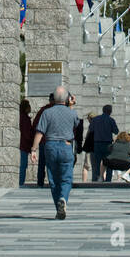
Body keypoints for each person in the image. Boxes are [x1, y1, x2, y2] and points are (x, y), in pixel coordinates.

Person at [29, 86, 80, 219]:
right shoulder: (72, 113)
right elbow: (76, 124)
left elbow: (39, 132)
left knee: (53, 179)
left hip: (50, 146)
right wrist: (72, 105)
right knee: (66, 178)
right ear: (68, 99)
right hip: (66, 146)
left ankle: (58, 206)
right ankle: (63, 198)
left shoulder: (47, 113)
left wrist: (33, 149)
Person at [90, 104, 119, 184]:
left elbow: (91, 130)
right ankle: (108, 180)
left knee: (97, 163)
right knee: (109, 163)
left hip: (97, 143)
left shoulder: (95, 119)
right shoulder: (111, 120)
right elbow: (116, 131)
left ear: (103, 110)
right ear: (110, 112)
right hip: (107, 144)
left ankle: (97, 178)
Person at [32, 94, 54, 187]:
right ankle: (53, 183)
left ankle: (40, 183)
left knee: (42, 163)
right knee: (52, 163)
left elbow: (36, 125)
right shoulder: (61, 110)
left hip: (44, 141)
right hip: (53, 141)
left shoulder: (43, 110)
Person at [19, 99, 35, 187]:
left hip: (22, 145)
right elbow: (27, 133)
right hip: (23, 145)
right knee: (23, 165)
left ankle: (20, 182)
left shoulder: (21, 117)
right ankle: (20, 183)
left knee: (22, 165)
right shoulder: (25, 119)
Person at [81, 113, 96, 183]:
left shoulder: (91, 126)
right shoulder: (100, 126)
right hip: (97, 148)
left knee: (86, 166)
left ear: (90, 118)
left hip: (89, 148)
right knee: (98, 166)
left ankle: (84, 182)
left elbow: (87, 137)